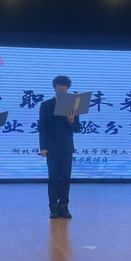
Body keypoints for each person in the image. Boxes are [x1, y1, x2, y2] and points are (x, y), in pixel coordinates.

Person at [39, 76, 80, 219]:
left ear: (67, 88)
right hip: (51, 147)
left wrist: (72, 121)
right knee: (53, 178)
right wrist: (43, 147)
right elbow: (42, 128)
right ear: (55, 87)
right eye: (59, 85)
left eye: (64, 85)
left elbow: (77, 129)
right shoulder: (46, 105)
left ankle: (64, 206)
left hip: (67, 147)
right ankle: (53, 207)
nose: (62, 87)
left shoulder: (73, 105)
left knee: (65, 178)